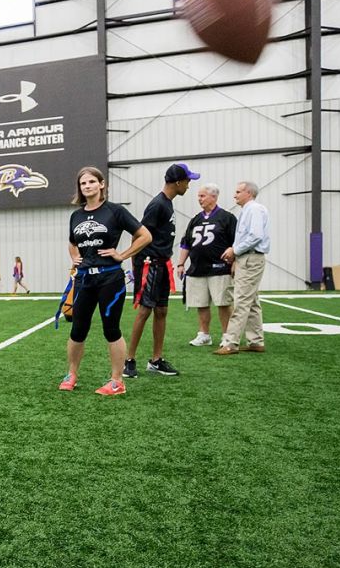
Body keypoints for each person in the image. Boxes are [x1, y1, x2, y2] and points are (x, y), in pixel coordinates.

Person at [60, 166, 152, 396]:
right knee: (78, 329)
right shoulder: (77, 215)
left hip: (110, 278)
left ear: (102, 184)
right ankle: (71, 374)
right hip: (83, 280)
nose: (87, 186)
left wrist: (123, 255)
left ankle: (117, 381)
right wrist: (74, 256)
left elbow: (145, 236)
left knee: (111, 329)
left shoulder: (115, 211)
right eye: (83, 183)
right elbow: (72, 241)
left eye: (92, 181)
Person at [123, 163, 198, 379]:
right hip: (150, 264)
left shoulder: (168, 204)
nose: (189, 185)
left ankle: (156, 360)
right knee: (145, 311)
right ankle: (129, 360)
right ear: (178, 182)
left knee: (162, 311)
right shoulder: (157, 205)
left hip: (162, 263)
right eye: (187, 180)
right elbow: (138, 234)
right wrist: (137, 266)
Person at [175, 183, 237, 346]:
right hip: (197, 268)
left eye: (202, 196)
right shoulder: (196, 219)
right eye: (198, 196)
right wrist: (181, 264)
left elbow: (236, 242)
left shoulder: (227, 217)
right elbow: (186, 243)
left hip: (220, 268)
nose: (199, 199)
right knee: (200, 303)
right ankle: (204, 334)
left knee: (223, 303)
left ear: (214, 197)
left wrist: (235, 262)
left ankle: (227, 335)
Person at [215, 181, 271, 355]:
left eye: (238, 191)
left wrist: (235, 251)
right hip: (248, 258)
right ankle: (256, 341)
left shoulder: (253, 209)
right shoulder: (250, 210)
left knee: (241, 301)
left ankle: (231, 342)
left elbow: (255, 236)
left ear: (249, 193)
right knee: (252, 301)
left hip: (250, 257)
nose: (235, 195)